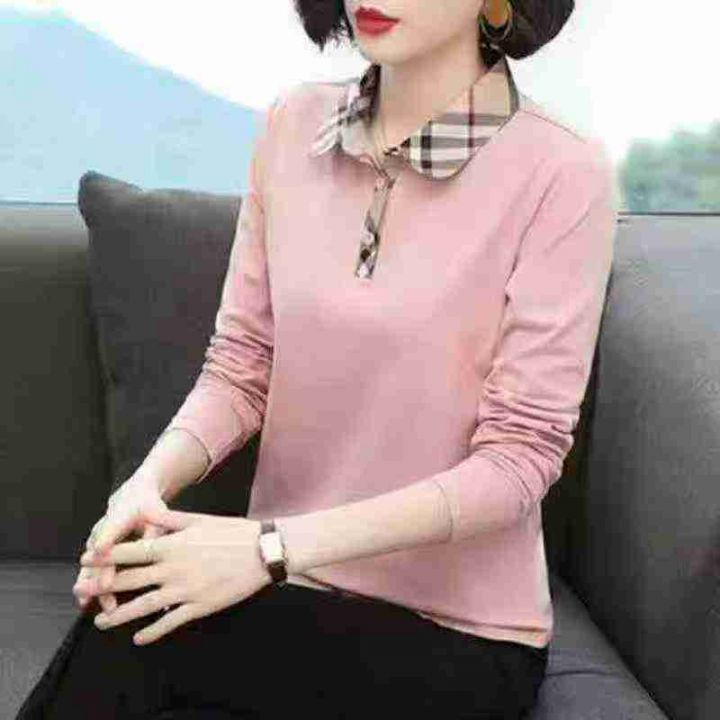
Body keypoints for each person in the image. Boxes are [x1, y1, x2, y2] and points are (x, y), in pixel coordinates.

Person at [15, 1, 617, 718]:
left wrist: (270, 549)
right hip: (288, 588)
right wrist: (144, 486)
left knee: (131, 639)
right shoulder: (292, 126)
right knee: (128, 602)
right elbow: (242, 366)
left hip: (455, 632)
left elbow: (519, 460)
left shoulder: (561, 172)